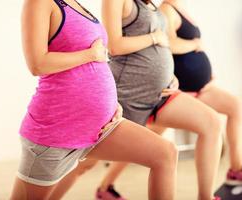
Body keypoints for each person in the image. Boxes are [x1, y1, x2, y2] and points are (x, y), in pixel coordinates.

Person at [49, 0, 222, 200]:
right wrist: (154, 37)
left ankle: (205, 197)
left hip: (160, 95)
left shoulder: (149, 4)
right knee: (85, 163)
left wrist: (170, 75)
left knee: (211, 123)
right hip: (128, 95)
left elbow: (162, 47)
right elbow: (114, 45)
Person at [10, 0, 178, 199]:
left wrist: (111, 102)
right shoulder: (39, 3)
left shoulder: (75, 4)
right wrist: (90, 54)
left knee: (165, 153)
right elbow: (37, 64)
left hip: (102, 126)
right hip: (56, 130)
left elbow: (97, 65)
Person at [159, 0, 242, 188]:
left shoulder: (180, 9)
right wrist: (194, 43)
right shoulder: (167, 9)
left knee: (236, 106)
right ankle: (106, 185)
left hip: (201, 88)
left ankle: (237, 169)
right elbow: (168, 44)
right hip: (184, 90)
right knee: (150, 135)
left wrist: (206, 74)